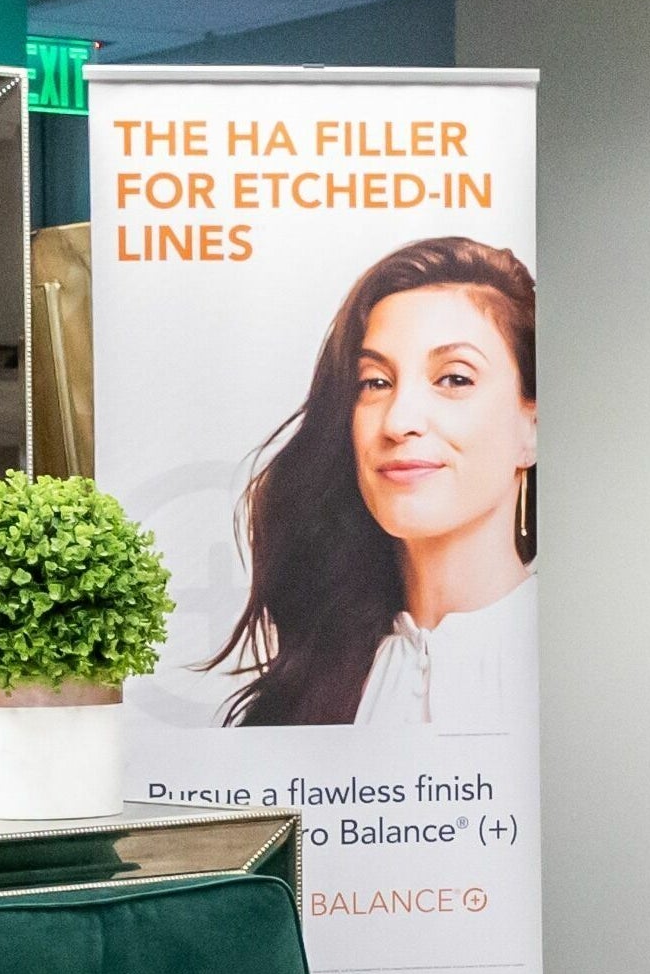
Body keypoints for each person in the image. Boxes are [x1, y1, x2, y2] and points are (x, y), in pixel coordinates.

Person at [213, 237, 539, 729]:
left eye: (454, 378)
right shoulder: (308, 687)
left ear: (532, 428)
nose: (399, 421)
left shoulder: (584, 658)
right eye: (375, 383)